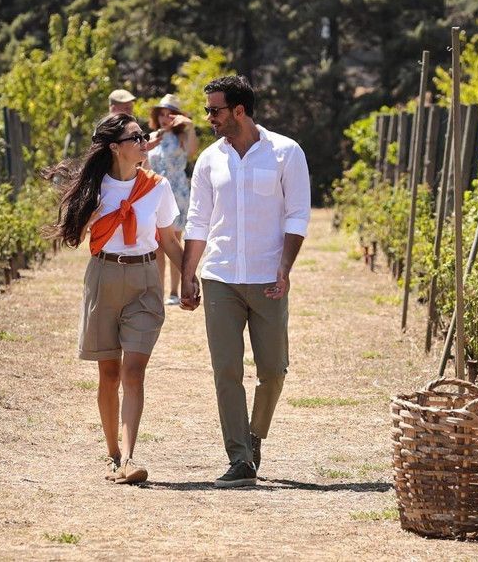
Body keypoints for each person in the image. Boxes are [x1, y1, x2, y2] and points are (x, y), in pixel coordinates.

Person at [180, 75, 311, 488]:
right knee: (226, 369)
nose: (209, 118)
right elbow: (197, 220)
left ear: (239, 110)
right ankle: (239, 457)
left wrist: (285, 268)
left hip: (268, 277)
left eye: (214, 110)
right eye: (207, 110)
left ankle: (255, 435)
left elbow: (297, 215)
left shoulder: (286, 152)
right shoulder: (209, 160)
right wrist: (187, 274)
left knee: (273, 369)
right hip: (220, 277)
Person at [43, 113, 187, 485]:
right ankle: (113, 456)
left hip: (144, 279)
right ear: (114, 147)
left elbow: (169, 240)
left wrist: (190, 277)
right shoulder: (95, 188)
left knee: (133, 371)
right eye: (135, 138)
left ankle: (131, 457)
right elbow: (75, 236)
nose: (143, 142)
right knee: (108, 374)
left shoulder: (157, 187)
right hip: (103, 277)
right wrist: (88, 216)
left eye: (143, 136)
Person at [147, 94, 198, 304]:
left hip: (177, 193)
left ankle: (174, 292)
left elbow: (193, 152)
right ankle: (159, 292)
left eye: (170, 115)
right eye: (161, 114)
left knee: (174, 242)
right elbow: (144, 164)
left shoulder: (183, 137)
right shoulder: (152, 137)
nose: (165, 119)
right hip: (154, 192)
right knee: (157, 245)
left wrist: (190, 126)